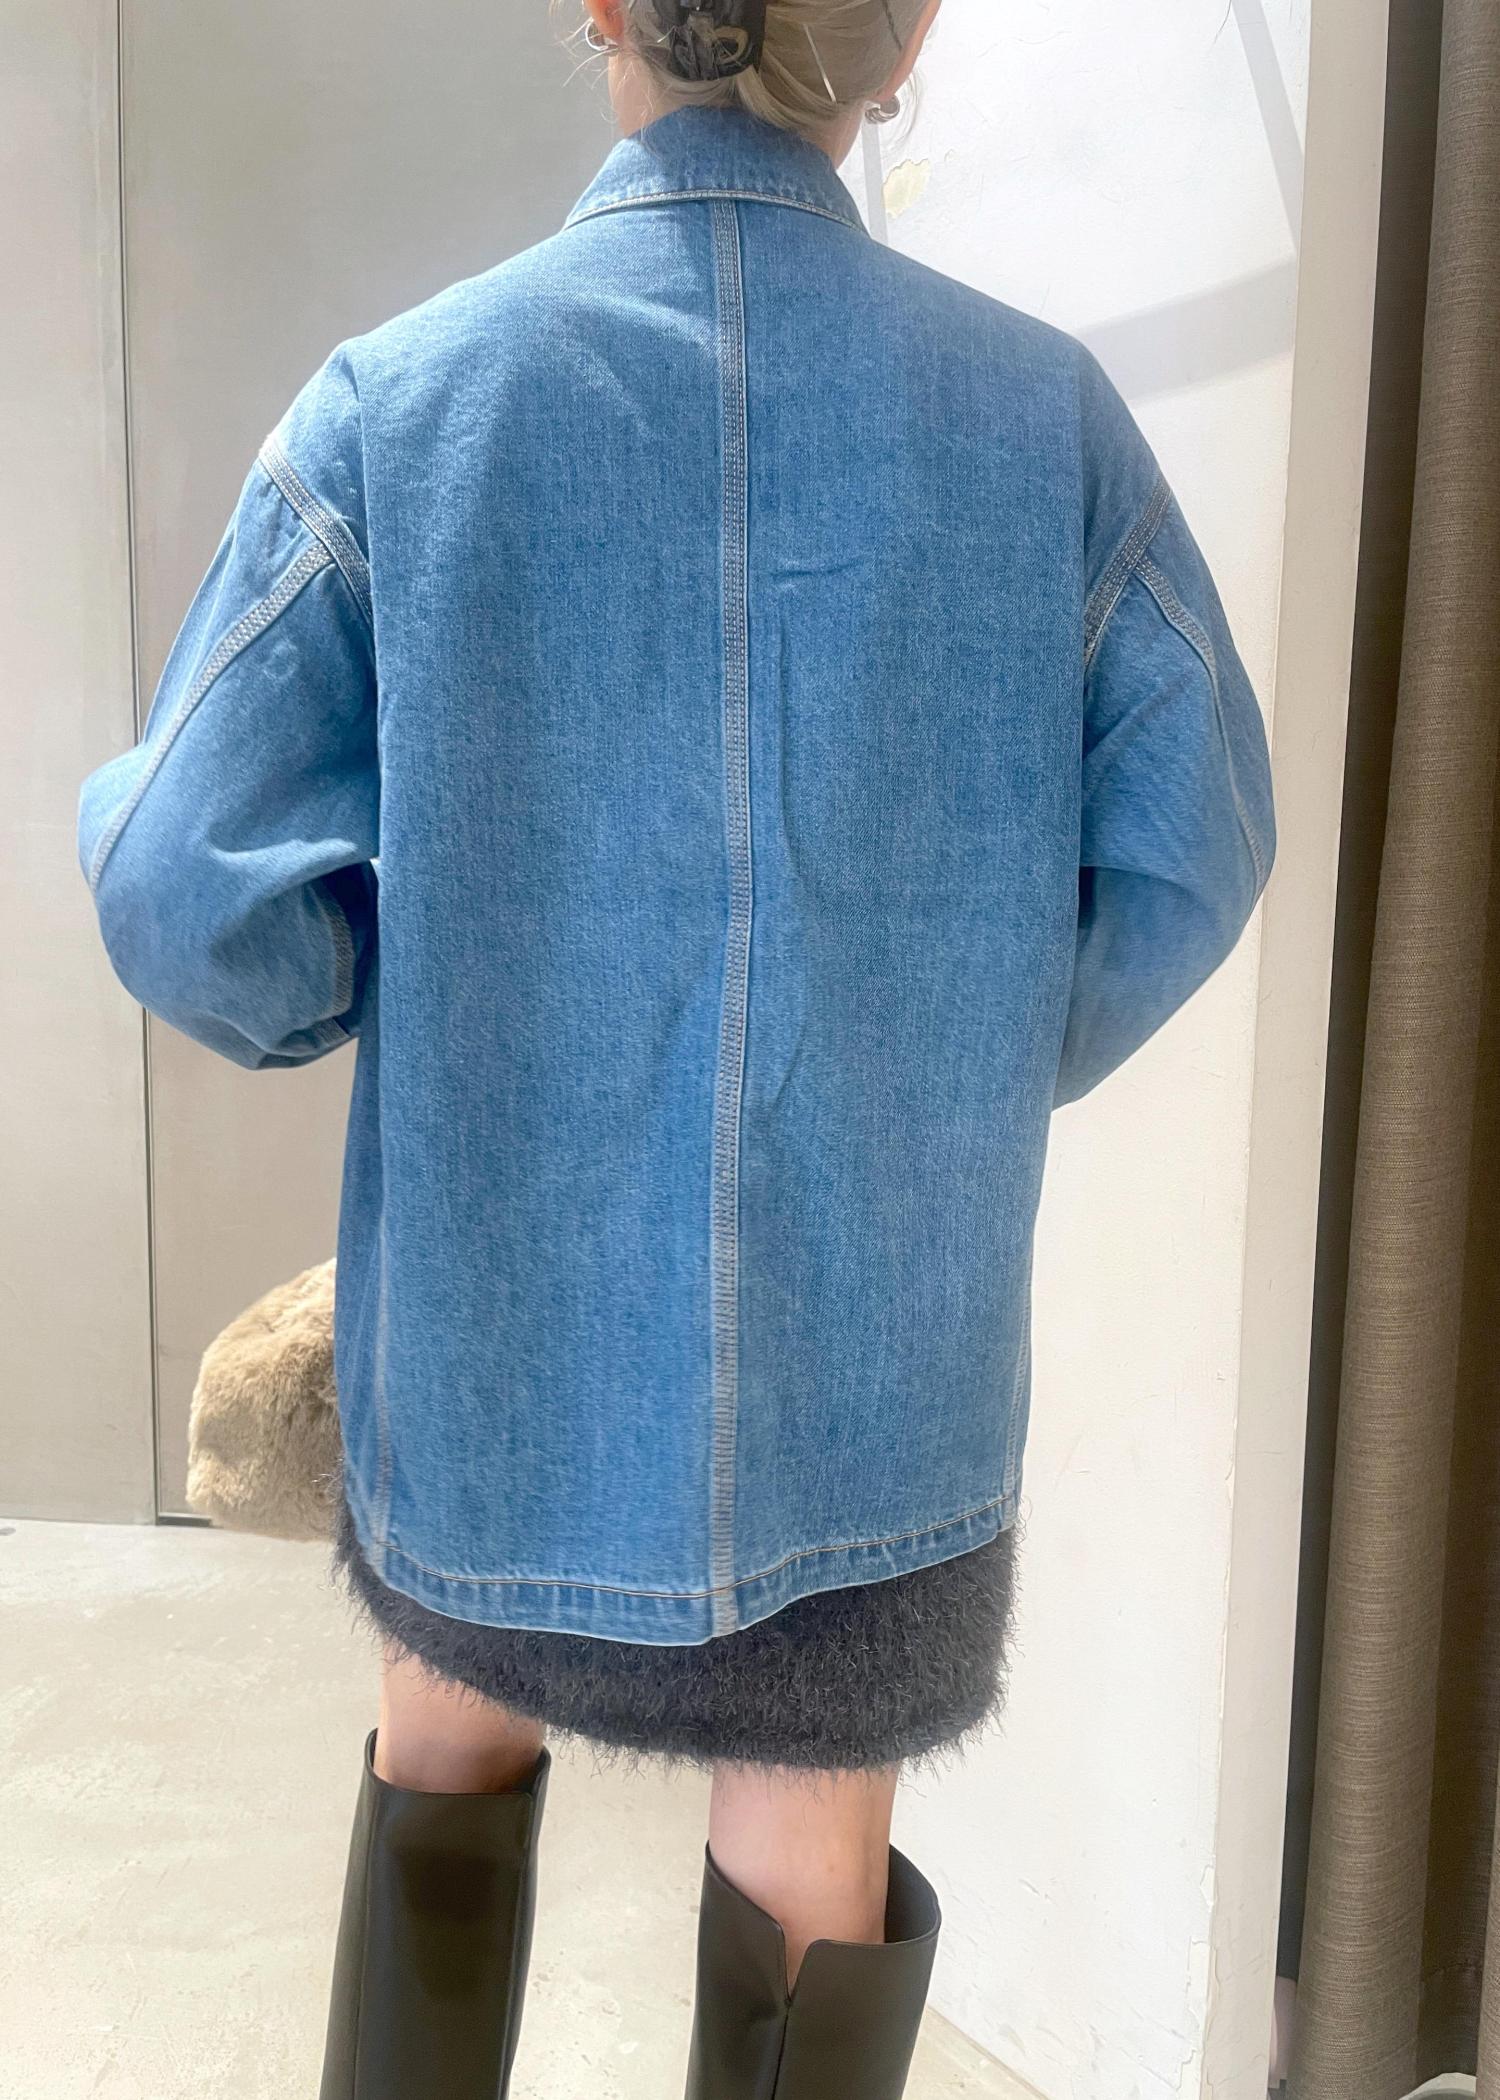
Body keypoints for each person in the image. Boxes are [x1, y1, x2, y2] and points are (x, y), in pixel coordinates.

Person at [75, 0, 1277, 2093]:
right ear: (905, 40)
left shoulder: (404, 405)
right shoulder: (1048, 421)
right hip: (874, 1388)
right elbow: (1201, 839)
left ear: (604, 10)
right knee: (812, 1853)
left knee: (445, 1751)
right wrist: (956, 1046)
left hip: (493, 1365)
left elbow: (180, 883)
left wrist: (383, 975)